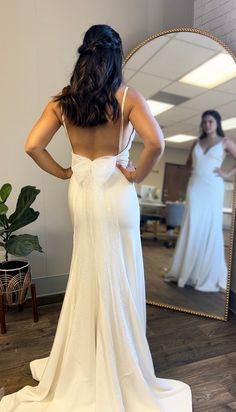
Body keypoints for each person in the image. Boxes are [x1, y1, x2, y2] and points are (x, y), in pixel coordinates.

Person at [0, 24, 192, 412]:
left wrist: (63, 172)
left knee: (88, 267)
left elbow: (32, 145)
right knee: (119, 270)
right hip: (116, 193)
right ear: (115, 57)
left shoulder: (62, 101)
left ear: (84, 55)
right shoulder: (127, 97)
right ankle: (119, 360)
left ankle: (87, 355)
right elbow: (156, 143)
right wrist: (136, 174)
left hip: (83, 192)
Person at [164, 110, 236, 292]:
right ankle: (184, 269)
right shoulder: (197, 142)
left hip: (213, 187)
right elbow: (189, 163)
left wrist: (227, 174)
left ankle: (205, 272)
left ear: (217, 123)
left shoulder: (225, 142)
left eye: (210, 121)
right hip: (195, 187)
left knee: (210, 225)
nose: (206, 125)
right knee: (192, 223)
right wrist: (193, 174)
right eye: (204, 122)